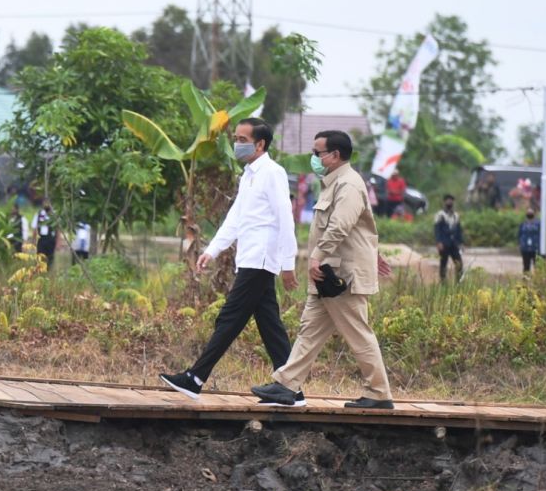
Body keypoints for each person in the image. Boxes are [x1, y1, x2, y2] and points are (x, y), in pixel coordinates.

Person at [252, 130, 395, 410]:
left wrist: (317, 257)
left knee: (358, 333)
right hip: (329, 275)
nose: (313, 158)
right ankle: (286, 385)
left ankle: (379, 393)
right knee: (309, 330)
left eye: (317, 153)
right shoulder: (334, 183)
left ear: (335, 155)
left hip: (342, 277)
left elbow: (340, 225)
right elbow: (360, 229)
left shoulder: (349, 185)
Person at [160, 118, 299, 401]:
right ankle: (291, 388)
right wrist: (212, 250)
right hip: (249, 257)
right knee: (270, 324)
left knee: (230, 318)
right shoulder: (249, 175)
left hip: (261, 258)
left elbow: (286, 219)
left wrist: (289, 263)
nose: (237, 144)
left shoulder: (272, 173)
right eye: (236, 138)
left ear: (260, 145)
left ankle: (195, 378)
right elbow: (235, 219)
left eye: (243, 140)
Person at [433, 194, 464, 283]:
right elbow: (437, 229)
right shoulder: (440, 215)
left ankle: (458, 282)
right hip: (444, 243)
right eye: (448, 200)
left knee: (459, 263)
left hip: (454, 244)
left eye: (451, 200)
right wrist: (438, 242)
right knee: (443, 263)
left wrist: (461, 242)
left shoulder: (456, 215)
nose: (449, 202)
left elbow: (459, 230)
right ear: (444, 202)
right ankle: (443, 282)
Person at [32, 199, 57, 269]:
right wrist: (33, 240)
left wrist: (58, 242)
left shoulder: (54, 214)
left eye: (48, 203)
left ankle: (49, 269)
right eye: (45, 203)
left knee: (50, 256)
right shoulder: (39, 214)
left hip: (50, 239)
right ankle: (39, 270)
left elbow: (58, 229)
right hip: (41, 239)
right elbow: (34, 228)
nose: (46, 204)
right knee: (40, 256)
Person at [518, 208, 541, 273]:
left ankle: (536, 280)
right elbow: (519, 235)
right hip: (525, 248)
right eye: (528, 212)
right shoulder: (523, 224)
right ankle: (526, 281)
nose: (530, 213)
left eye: (531, 212)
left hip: (535, 248)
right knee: (526, 266)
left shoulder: (538, 224)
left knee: (537, 266)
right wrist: (520, 244)